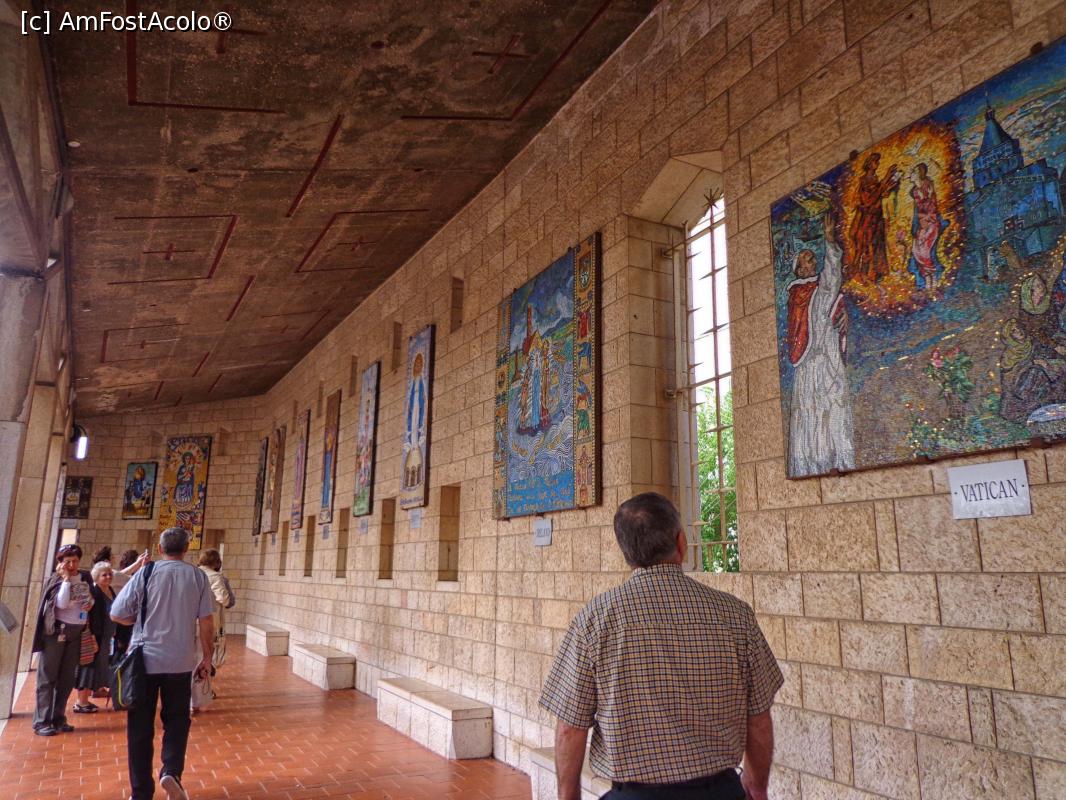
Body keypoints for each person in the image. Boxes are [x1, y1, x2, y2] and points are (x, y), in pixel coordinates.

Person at [540, 493, 783, 800]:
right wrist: (757, 787)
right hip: (720, 791)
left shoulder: (594, 620)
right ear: (681, 543)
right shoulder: (735, 614)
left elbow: (570, 728)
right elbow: (759, 717)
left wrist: (568, 796)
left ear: (626, 553)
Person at [111, 527, 214, 800]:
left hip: (145, 660)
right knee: (178, 720)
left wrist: (138, 621)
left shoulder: (146, 573)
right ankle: (171, 771)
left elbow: (117, 613)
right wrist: (207, 657)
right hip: (180, 661)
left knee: (140, 726)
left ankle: (141, 791)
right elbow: (206, 621)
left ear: (159, 549)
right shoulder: (198, 576)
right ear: (186, 549)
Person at [784, 211, 855, 477]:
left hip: (827, 352)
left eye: (812, 258)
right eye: (807, 260)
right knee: (809, 409)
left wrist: (829, 241)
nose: (812, 262)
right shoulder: (798, 292)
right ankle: (812, 462)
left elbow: (833, 277)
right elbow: (801, 325)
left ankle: (838, 457)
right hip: (809, 360)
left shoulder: (820, 286)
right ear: (799, 269)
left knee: (833, 402)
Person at [31, 544, 94, 736]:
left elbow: (90, 601)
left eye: (75, 561)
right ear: (60, 562)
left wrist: (88, 603)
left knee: (66, 679)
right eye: (68, 561)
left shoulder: (85, 577)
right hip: (56, 631)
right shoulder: (56, 579)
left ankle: (58, 717)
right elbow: (61, 603)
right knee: (47, 677)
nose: (72, 565)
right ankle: (42, 721)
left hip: (77, 632)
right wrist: (66, 580)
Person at [73, 561, 118, 713]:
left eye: (110, 574)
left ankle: (89, 695)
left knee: (99, 665)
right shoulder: (94, 592)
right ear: (96, 577)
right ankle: (81, 702)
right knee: (89, 666)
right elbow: (89, 616)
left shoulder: (110, 590)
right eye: (104, 575)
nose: (108, 577)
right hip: (95, 635)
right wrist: (92, 638)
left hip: (106, 636)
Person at [848, 152, 901, 281]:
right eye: (875, 161)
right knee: (868, 245)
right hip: (868, 218)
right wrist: (886, 178)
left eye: (877, 161)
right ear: (869, 164)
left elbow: (879, 194)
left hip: (877, 217)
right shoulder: (865, 180)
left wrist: (890, 184)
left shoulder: (875, 179)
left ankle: (877, 273)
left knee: (877, 244)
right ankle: (865, 274)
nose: (877, 164)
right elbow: (869, 200)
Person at [196, 549, 235, 674]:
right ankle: (206, 681)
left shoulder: (194, 573)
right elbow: (225, 599)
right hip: (211, 618)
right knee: (210, 651)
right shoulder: (215, 576)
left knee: (195, 651)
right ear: (216, 561)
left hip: (193, 619)